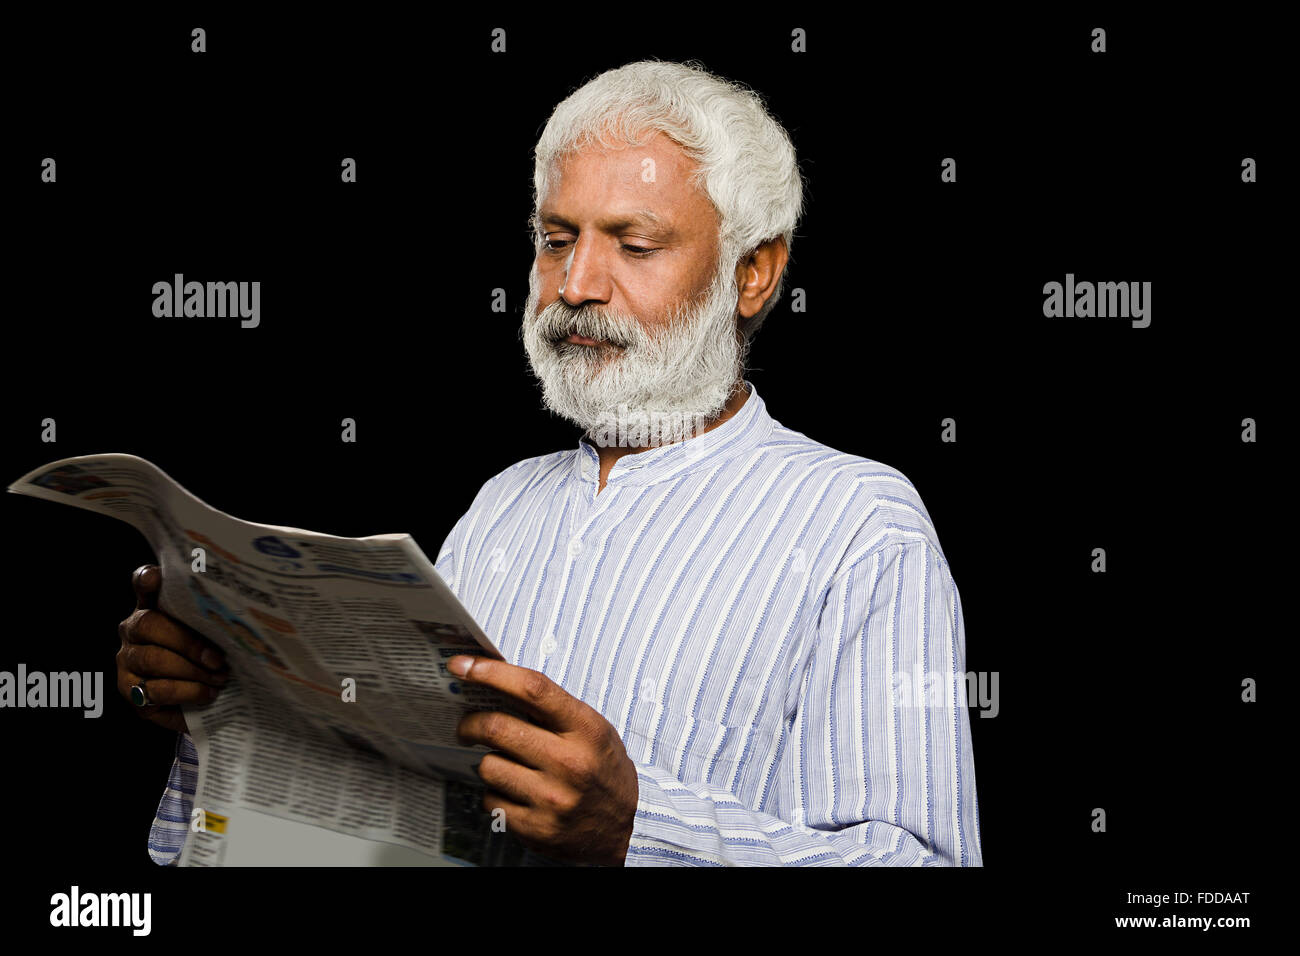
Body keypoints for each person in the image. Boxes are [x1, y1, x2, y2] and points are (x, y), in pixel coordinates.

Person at [119, 59, 982, 866]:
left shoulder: (861, 526)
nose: (576, 286)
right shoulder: (501, 508)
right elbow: (391, 834)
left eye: (633, 245)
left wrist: (636, 829)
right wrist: (225, 707)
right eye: (557, 239)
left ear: (752, 274)